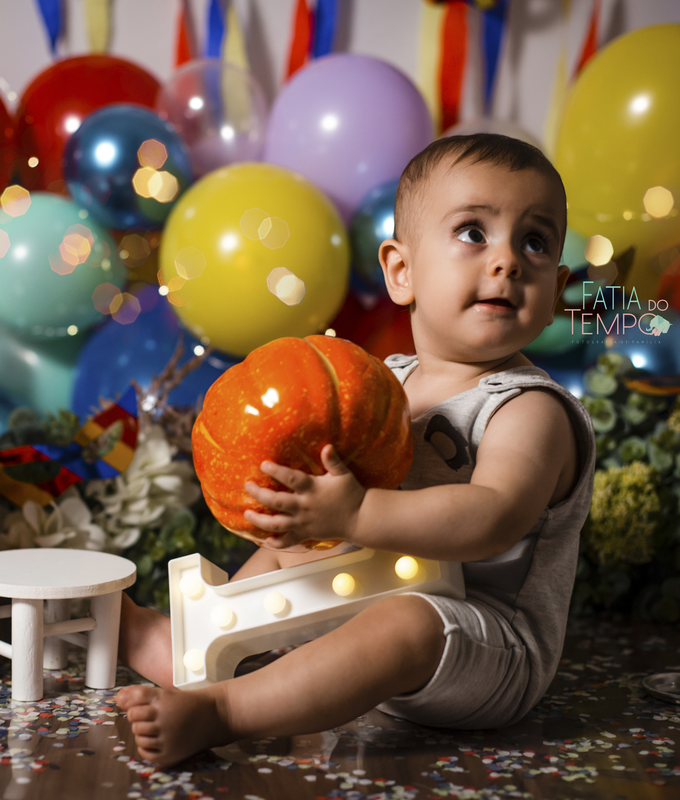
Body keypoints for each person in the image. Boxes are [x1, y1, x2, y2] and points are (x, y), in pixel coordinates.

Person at [115, 133, 597, 768]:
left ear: (557, 290)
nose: (507, 260)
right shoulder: (381, 383)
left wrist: (356, 514)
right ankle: (195, 642)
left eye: (534, 241)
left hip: (483, 645)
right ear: (401, 271)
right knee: (298, 537)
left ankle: (223, 712)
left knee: (408, 619)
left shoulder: (528, 408)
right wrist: (301, 509)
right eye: (474, 233)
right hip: (367, 596)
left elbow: (494, 516)